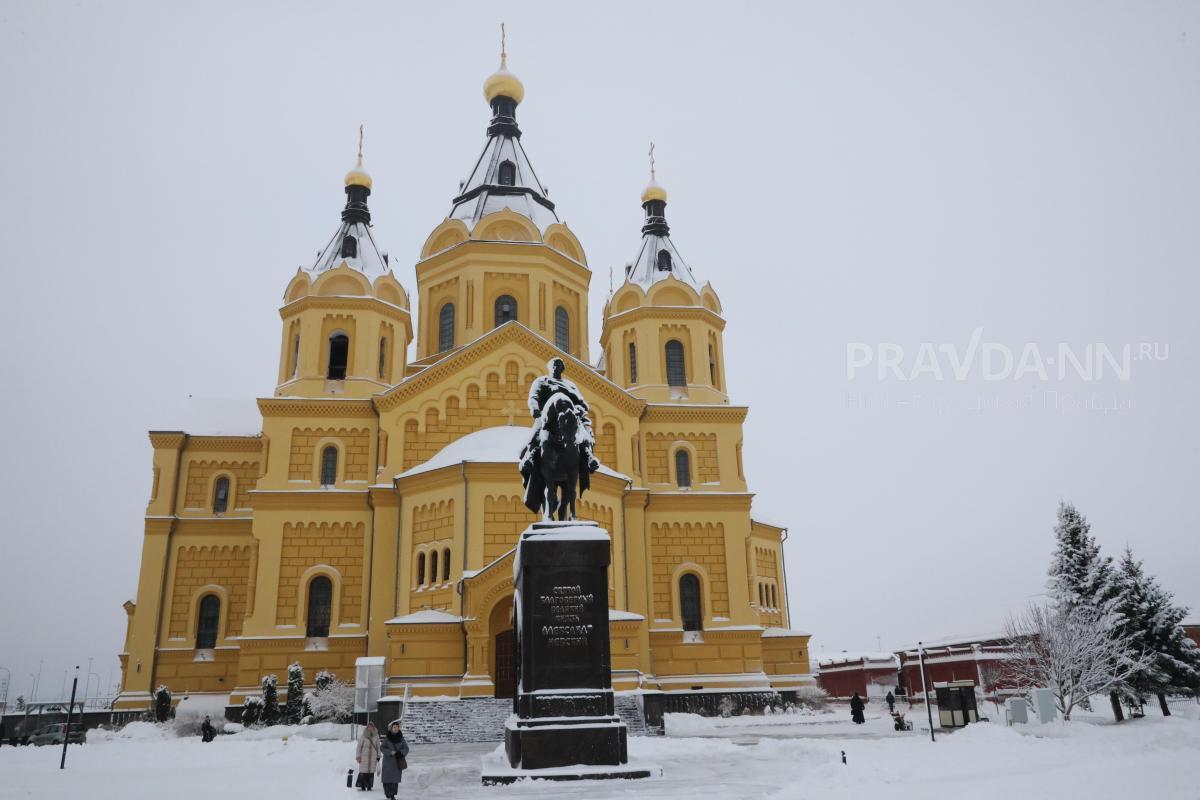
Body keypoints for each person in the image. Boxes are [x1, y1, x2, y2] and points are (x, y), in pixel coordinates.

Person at [379, 720, 409, 799]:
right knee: (386, 779)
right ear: (391, 728)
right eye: (394, 727)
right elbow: (382, 748)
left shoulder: (401, 738)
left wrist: (401, 752)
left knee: (395, 780)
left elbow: (406, 748)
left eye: (397, 727)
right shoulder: (387, 738)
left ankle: (392, 795)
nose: (396, 729)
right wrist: (390, 752)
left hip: (397, 762)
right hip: (388, 762)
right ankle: (387, 793)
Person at [355, 721, 380, 791]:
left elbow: (378, 746)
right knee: (363, 772)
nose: (370, 728)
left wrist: (378, 755)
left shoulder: (376, 736)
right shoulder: (363, 735)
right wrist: (358, 756)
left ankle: (369, 786)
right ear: (367, 727)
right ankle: (362, 785)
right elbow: (359, 746)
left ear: (373, 727)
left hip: (373, 757)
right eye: (369, 726)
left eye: (371, 726)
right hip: (364, 757)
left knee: (371, 773)